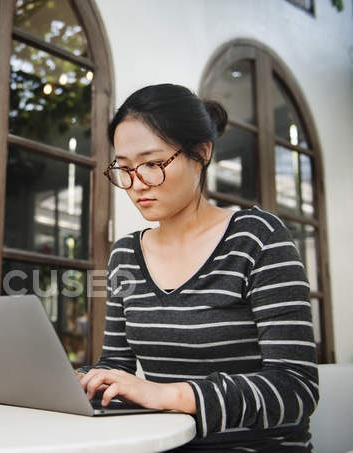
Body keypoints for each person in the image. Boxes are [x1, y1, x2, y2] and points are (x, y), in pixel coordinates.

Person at [77, 84, 319, 451]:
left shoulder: (257, 239)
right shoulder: (125, 254)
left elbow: (295, 388)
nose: (136, 183)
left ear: (201, 153)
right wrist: (71, 382)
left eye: (153, 164)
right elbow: (116, 365)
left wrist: (165, 394)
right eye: (124, 168)